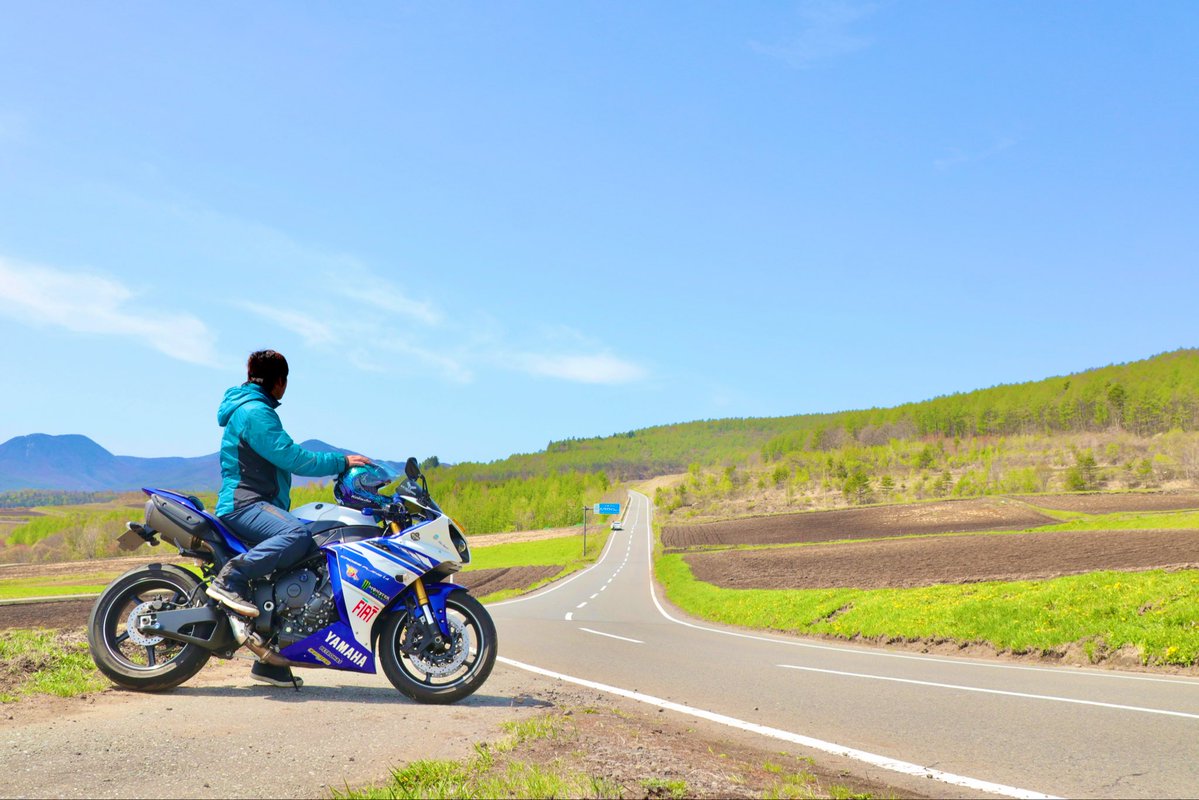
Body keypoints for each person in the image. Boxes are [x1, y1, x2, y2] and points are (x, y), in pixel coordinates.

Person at [207, 349, 371, 687]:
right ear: (279, 382)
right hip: (244, 504)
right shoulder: (255, 412)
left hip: (257, 503)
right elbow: (292, 458)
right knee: (297, 536)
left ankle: (270, 661)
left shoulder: (251, 409)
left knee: (299, 561)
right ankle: (229, 580)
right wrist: (342, 462)